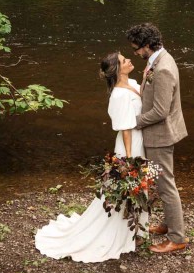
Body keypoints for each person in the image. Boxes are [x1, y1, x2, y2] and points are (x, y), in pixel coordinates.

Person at [34, 52, 147, 262]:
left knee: (140, 186)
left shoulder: (132, 82)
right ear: (116, 69)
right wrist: (130, 160)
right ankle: (122, 233)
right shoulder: (119, 95)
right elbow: (125, 129)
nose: (130, 60)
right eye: (124, 61)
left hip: (141, 140)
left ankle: (137, 229)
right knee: (125, 187)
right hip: (130, 146)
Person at [126, 22, 188, 253]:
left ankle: (178, 237)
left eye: (137, 49)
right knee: (161, 183)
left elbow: (160, 111)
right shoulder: (159, 59)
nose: (136, 53)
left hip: (160, 136)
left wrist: (132, 122)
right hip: (159, 133)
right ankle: (167, 224)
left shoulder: (162, 69)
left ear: (149, 45)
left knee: (165, 187)